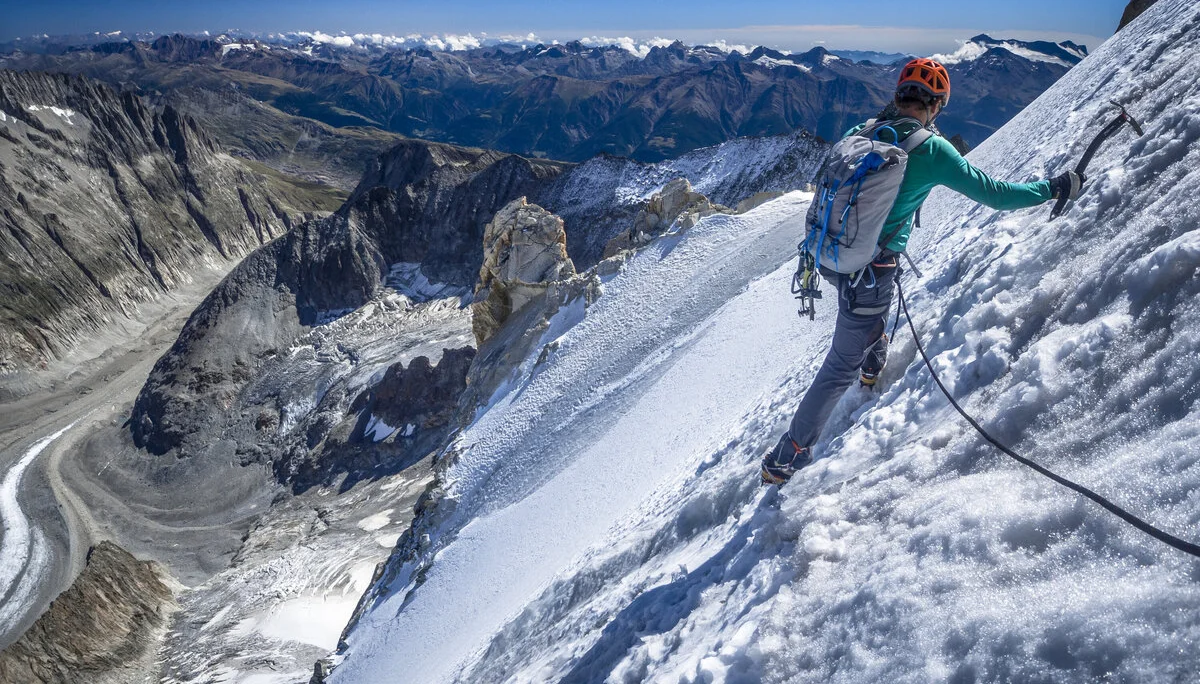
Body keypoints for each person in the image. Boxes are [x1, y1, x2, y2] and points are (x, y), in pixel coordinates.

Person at [761, 58, 1084, 485]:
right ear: (937, 105)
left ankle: (872, 361)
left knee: (863, 322)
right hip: (872, 269)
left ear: (899, 95)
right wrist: (1052, 187)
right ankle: (788, 454)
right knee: (840, 364)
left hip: (834, 258)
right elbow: (997, 195)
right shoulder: (931, 149)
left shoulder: (863, 130)